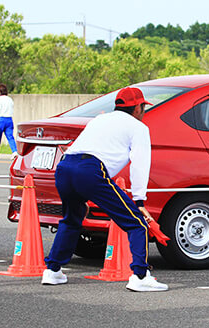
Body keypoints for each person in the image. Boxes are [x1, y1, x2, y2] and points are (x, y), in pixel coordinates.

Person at [42, 87, 168, 292]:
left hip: (65, 168)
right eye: (143, 107)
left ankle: (53, 270)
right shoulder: (138, 128)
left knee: (72, 218)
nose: (143, 111)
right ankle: (140, 275)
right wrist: (139, 201)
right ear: (137, 108)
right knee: (137, 223)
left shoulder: (99, 119)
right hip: (90, 170)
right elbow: (139, 164)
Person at [0, 84, 18, 160]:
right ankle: (14, 151)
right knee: (10, 137)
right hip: (9, 119)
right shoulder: (10, 100)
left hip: (0, 119)